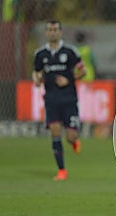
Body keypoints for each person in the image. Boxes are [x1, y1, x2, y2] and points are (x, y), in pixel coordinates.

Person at [32, 20, 86, 181]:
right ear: (46, 33)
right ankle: (62, 170)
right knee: (55, 132)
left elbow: (83, 71)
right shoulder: (40, 54)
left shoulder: (70, 52)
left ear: (61, 32)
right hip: (51, 100)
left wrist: (69, 80)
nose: (52, 32)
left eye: (55, 29)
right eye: (49, 29)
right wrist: (36, 80)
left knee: (70, 136)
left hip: (69, 99)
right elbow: (36, 72)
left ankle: (74, 142)